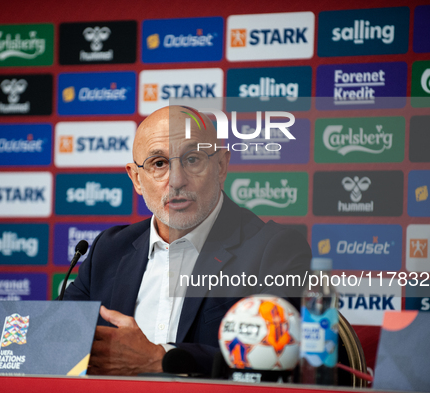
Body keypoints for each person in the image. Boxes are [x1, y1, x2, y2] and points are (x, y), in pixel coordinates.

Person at [63, 105, 311, 376]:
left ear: (220, 166)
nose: (176, 181)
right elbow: (55, 337)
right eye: (158, 164)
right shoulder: (109, 249)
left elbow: (281, 354)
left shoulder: (273, 250)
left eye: (192, 159)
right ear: (136, 179)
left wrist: (163, 359)